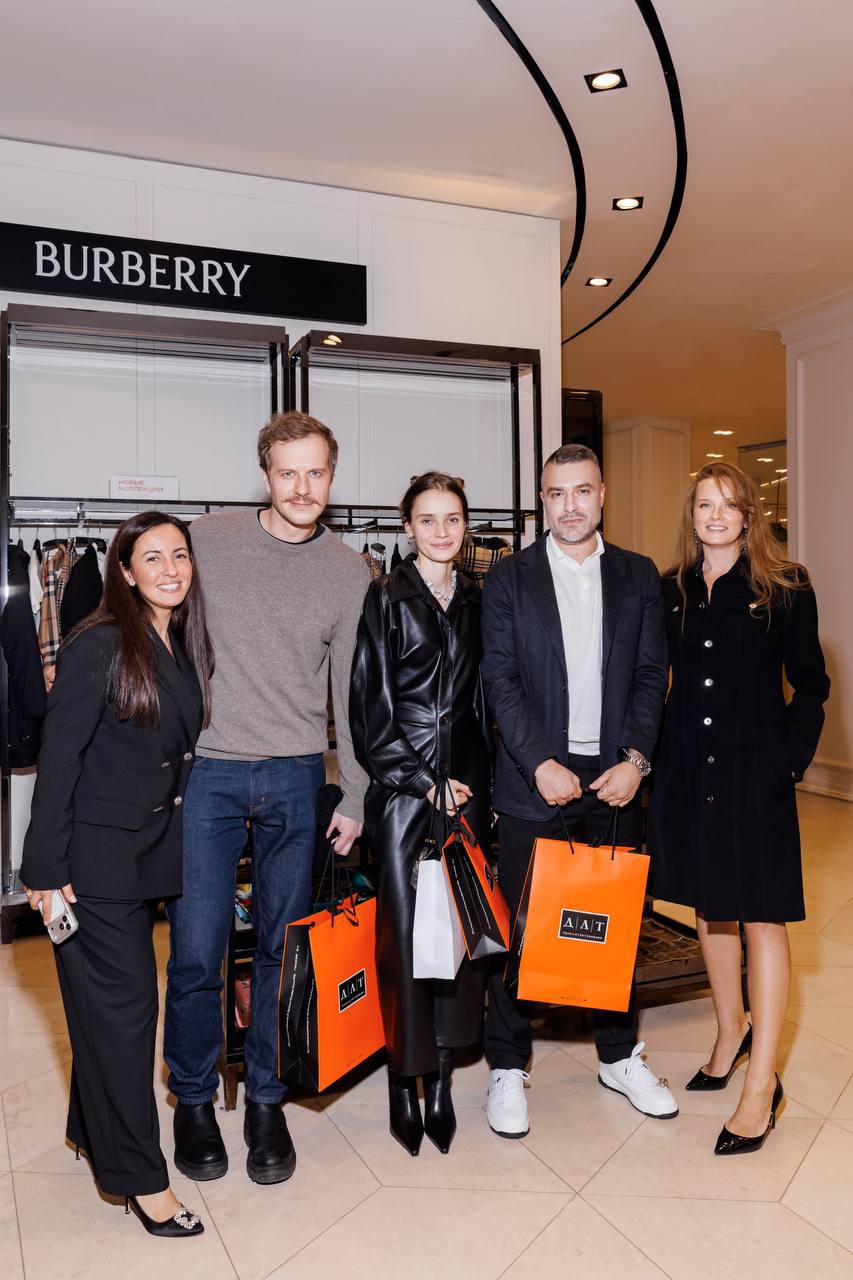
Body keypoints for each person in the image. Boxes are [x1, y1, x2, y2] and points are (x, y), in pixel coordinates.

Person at [164, 410, 370, 1185]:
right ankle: (191, 1098)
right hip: (208, 773)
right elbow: (153, 623)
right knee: (197, 948)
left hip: (293, 775)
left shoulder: (349, 571)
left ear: (331, 477)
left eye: (315, 472)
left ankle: (265, 1099)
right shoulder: (206, 540)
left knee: (284, 953)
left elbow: (352, 695)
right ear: (264, 475)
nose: (302, 487)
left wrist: (355, 792)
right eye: (288, 472)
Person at [21, 512, 213, 1237]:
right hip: (90, 866)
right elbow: (59, 757)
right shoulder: (98, 642)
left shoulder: (177, 639)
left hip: (144, 855)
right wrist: (43, 869)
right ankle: (142, 1182)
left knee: (110, 1011)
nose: (170, 569)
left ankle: (91, 1129)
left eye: (180, 555)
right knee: (129, 1017)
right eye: (152, 558)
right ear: (125, 573)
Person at [480, 443, 678, 1139]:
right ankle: (507, 1064)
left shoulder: (637, 574)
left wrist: (637, 761)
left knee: (613, 926)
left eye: (582, 491)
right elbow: (499, 678)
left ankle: (618, 1057)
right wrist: (538, 761)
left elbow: (651, 673)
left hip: (614, 779)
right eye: (557, 493)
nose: (570, 505)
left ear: (602, 495)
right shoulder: (508, 577)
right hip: (535, 781)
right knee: (522, 928)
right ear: (542, 500)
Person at [647, 462, 829, 1155]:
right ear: (691, 516)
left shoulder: (786, 587)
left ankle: (761, 1084)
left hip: (755, 775)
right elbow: (653, 677)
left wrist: (789, 759)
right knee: (708, 904)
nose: (715, 515)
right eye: (704, 505)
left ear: (748, 515)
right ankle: (729, 1033)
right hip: (687, 770)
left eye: (728, 505)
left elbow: (811, 683)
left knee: (761, 915)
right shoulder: (671, 590)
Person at [350, 472, 492, 1156]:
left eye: (452, 518)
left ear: (465, 526)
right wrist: (422, 782)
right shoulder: (384, 596)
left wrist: (474, 784)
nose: (440, 531)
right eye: (427, 519)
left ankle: (440, 1075)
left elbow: (484, 702)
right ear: (407, 527)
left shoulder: (477, 599)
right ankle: (401, 1080)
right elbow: (368, 712)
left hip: (465, 790)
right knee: (404, 940)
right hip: (404, 794)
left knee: (456, 937)